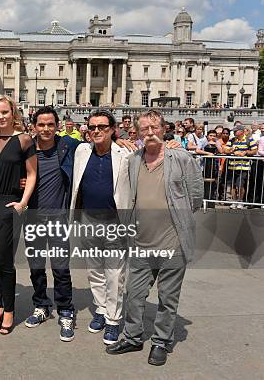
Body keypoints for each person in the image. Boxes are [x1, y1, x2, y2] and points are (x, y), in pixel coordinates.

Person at [107, 109, 203, 366]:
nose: (150, 133)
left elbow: (195, 195)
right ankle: (133, 336)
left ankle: (161, 341)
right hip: (141, 242)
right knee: (134, 294)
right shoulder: (134, 159)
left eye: (154, 128)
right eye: (144, 129)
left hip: (173, 242)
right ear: (136, 133)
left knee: (167, 298)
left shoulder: (181, 157)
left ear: (163, 129)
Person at [70, 109, 131, 345]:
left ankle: (114, 321)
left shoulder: (125, 152)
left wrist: (172, 146)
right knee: (94, 270)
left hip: (115, 222)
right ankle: (101, 309)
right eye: (92, 127)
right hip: (88, 220)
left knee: (115, 274)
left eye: (102, 127)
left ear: (113, 129)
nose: (96, 131)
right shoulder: (81, 150)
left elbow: (154, 150)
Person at [0, 95, 37, 335]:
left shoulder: (24, 140)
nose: (1, 117)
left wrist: (23, 202)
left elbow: (32, 174)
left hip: (9, 203)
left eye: (5, 112)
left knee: (5, 260)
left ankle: (9, 310)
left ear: (14, 113)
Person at [23, 106, 80, 342]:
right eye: (41, 124)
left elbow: (101, 148)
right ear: (34, 126)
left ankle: (65, 309)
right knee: (36, 267)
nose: (45, 129)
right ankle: (41, 305)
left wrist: (126, 143)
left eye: (50, 124)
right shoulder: (25, 149)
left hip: (58, 218)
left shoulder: (69, 146)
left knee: (60, 268)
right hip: (33, 218)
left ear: (57, 125)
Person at [223, 125, 257, 208]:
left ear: (241, 131)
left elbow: (254, 151)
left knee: (240, 185)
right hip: (232, 167)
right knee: (232, 185)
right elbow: (225, 150)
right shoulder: (232, 140)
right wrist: (233, 151)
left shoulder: (249, 140)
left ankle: (240, 201)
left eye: (236, 131)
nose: (234, 132)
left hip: (243, 167)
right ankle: (234, 201)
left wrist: (245, 152)